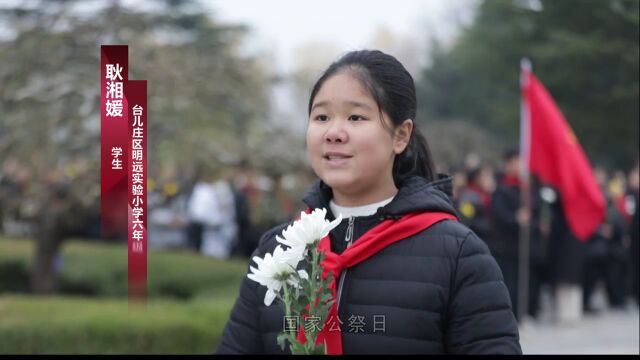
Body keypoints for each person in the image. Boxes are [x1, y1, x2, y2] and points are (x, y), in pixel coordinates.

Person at [216, 50, 521, 354]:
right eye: (321, 117)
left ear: (401, 136)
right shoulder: (277, 251)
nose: (334, 132)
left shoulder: (458, 256)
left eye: (356, 117)